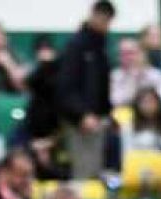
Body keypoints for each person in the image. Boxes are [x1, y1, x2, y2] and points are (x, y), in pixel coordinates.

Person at [58, 1, 117, 180]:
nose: (103, 22)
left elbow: (102, 86)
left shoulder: (101, 48)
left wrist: (107, 114)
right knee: (83, 173)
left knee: (94, 172)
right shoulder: (76, 46)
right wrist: (81, 114)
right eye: (101, 17)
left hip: (97, 120)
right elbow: (65, 87)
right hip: (79, 122)